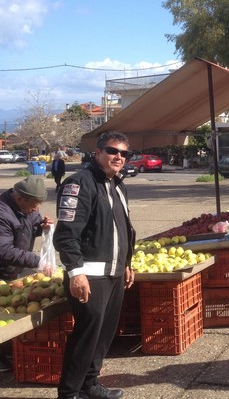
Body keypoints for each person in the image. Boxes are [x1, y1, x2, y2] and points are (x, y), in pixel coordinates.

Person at [53, 131, 136, 399]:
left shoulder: (118, 185)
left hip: (114, 274)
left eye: (124, 154)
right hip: (90, 276)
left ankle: (90, 384)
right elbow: (67, 234)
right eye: (113, 151)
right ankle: (69, 393)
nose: (119, 157)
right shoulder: (79, 184)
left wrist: (126, 263)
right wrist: (75, 273)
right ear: (98, 153)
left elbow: (122, 229)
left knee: (103, 336)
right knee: (86, 336)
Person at [0, 176, 52, 372]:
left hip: (10, 268)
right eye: (33, 205)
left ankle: (6, 350)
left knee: (11, 309)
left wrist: (42, 226)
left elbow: (30, 223)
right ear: (20, 198)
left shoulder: (27, 206)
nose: (35, 209)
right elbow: (3, 251)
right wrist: (37, 260)